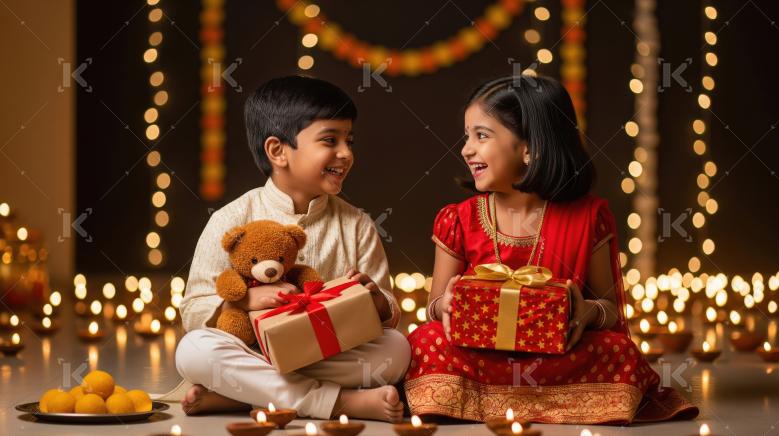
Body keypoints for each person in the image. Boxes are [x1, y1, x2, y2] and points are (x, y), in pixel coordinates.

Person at [404, 75, 698, 424]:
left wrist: (584, 312)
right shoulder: (459, 218)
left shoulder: (587, 217)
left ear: (530, 148)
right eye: (467, 136)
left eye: (481, 136)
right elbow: (433, 308)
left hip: (558, 356)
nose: (466, 149)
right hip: (479, 356)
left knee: (619, 352)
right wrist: (446, 304)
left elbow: (610, 312)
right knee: (425, 341)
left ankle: (481, 403)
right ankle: (543, 405)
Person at [170, 76, 409, 422]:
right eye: (330, 140)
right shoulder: (232, 218)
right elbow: (193, 310)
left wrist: (375, 301)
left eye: (349, 140)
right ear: (277, 151)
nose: (346, 153)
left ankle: (244, 394)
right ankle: (337, 403)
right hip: (252, 350)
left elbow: (388, 308)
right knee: (193, 352)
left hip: (324, 354)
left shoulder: (356, 225)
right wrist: (246, 301)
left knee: (397, 350)